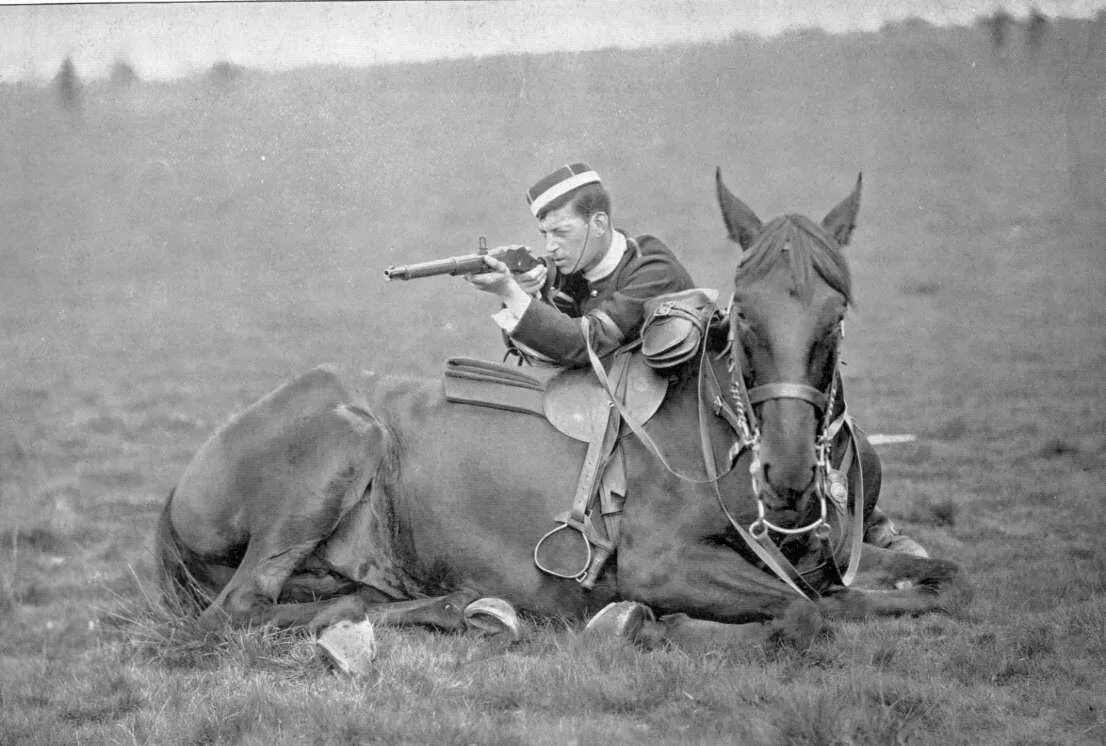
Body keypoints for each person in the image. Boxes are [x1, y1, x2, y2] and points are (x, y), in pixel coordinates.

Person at [465, 162, 696, 367]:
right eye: (545, 234)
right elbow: (536, 349)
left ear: (598, 224)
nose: (550, 247)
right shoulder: (571, 265)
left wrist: (510, 292)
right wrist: (527, 292)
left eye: (561, 232)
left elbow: (587, 343)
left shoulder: (654, 271)